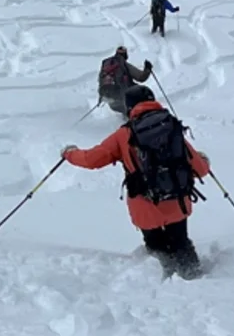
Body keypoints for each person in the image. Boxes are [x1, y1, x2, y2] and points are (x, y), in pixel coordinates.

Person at [60, 85, 212, 279]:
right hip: (177, 201)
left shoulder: (124, 135)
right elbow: (199, 168)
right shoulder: (171, 127)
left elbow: (91, 159)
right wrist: (204, 160)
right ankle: (193, 278)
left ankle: (161, 283)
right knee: (180, 242)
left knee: (156, 248)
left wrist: (69, 153)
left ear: (129, 107)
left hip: (145, 205)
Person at [96, 46, 152, 114]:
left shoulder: (106, 65)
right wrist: (147, 69)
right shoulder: (124, 64)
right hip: (125, 99)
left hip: (111, 101)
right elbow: (141, 77)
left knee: (125, 114)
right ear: (125, 55)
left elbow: (101, 82)